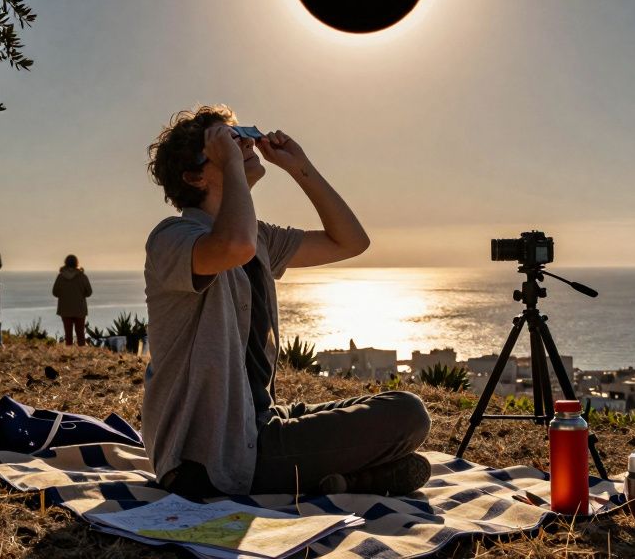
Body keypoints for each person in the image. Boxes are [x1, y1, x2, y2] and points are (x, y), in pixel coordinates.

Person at [143, 105, 431, 499]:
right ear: (194, 176)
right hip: (211, 454)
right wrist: (234, 165)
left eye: (241, 135)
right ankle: (352, 479)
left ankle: (342, 481)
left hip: (261, 421)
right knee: (407, 417)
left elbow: (350, 242)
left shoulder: (259, 237)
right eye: (228, 141)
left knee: (402, 405)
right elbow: (233, 246)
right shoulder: (172, 239)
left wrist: (300, 167)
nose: (244, 144)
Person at [52, 255, 92, 346]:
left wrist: (64, 296)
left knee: (68, 335)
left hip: (65, 309)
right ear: (76, 263)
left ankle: (69, 352)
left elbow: (55, 292)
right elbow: (89, 292)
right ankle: (81, 353)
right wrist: (80, 295)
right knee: (80, 335)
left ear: (66, 263)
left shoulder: (61, 277)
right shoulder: (82, 276)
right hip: (80, 309)